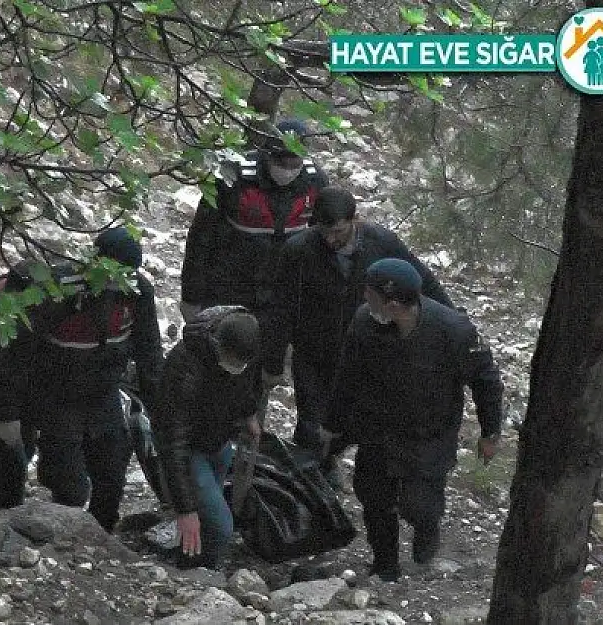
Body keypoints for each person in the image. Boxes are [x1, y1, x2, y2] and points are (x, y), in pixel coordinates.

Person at [324, 258, 503, 581]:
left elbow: (486, 381)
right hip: (378, 429)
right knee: (374, 498)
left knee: (418, 506)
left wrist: (490, 432)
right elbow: (346, 377)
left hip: (429, 434)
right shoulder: (364, 323)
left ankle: (426, 531)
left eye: (371, 295)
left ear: (392, 305)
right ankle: (385, 564)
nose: (365, 299)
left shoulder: (454, 332)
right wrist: (333, 426)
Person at [265, 187, 455, 485]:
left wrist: (451, 322)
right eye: (324, 231)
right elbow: (280, 307)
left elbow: (420, 281)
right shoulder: (299, 250)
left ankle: (333, 463)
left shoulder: (382, 243)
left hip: (366, 350)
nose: (330, 240)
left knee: (357, 418)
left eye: (338, 232)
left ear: (355, 220)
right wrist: (273, 361)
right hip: (313, 350)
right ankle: (310, 483)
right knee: (311, 423)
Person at [0, 227, 164, 531]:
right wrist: (9, 413)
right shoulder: (57, 289)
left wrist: (161, 411)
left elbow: (149, 352)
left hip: (103, 390)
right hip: (55, 393)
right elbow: (18, 352)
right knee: (70, 483)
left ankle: (102, 535)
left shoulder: (137, 292)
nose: (119, 283)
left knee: (112, 469)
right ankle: (58, 535)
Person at [179, 118, 329, 324]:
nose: (287, 169)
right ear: (266, 154)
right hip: (229, 286)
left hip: (281, 291)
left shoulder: (315, 182)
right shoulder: (234, 177)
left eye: (294, 163)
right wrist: (191, 296)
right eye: (280, 162)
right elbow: (201, 238)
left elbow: (320, 241)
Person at [150, 306, 264, 569]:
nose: (237, 368)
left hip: (219, 439)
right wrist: (185, 509)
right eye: (232, 362)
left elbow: (244, 384)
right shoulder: (185, 367)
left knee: (207, 516)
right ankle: (201, 573)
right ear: (217, 345)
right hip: (190, 448)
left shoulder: (245, 346)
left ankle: (190, 559)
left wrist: (248, 415)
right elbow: (173, 441)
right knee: (220, 525)